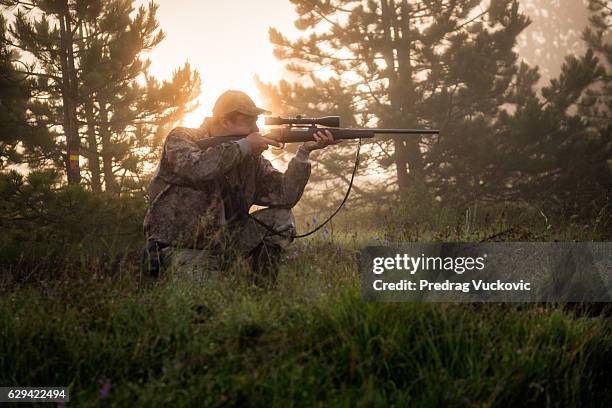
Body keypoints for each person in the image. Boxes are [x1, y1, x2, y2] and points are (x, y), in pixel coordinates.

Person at [141, 90, 339, 285]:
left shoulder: (250, 157)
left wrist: (303, 153)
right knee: (205, 307)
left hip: (226, 243)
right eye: (249, 121)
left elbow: (284, 195)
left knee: (281, 218)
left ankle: (261, 290)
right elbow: (198, 168)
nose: (256, 128)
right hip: (182, 248)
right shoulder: (182, 138)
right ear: (225, 121)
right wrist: (243, 147)